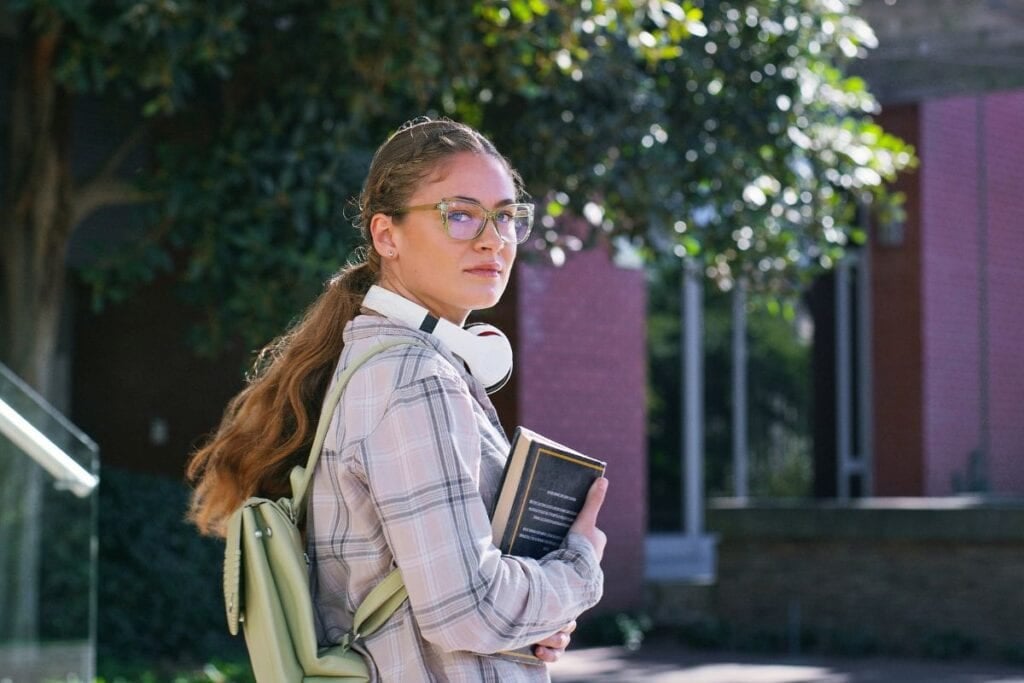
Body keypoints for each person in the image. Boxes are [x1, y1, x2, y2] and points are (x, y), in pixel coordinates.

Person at [187, 117, 607, 681]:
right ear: (387, 236)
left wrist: (532, 623)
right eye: (459, 214)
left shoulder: (392, 362)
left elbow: (453, 601)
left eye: (505, 216)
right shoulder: (414, 376)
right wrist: (578, 568)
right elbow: (468, 609)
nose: (492, 238)